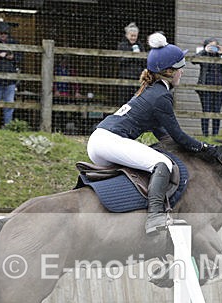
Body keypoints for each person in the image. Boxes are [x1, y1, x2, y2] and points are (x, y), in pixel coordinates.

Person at [87, 32, 211, 235]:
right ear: (169, 71)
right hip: (109, 141)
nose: (183, 72)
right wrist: (203, 147)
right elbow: (178, 135)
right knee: (163, 164)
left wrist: (189, 149)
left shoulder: (152, 90)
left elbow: (163, 135)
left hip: (101, 141)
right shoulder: (161, 95)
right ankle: (154, 217)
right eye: (180, 68)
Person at [192, 38, 222, 136]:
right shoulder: (203, 55)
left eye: (215, 46)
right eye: (211, 46)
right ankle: (205, 135)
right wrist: (205, 51)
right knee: (205, 111)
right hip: (205, 88)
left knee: (217, 112)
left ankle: (215, 135)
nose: (213, 49)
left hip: (220, 87)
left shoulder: (221, 55)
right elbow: (193, 60)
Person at [0, 22, 22, 129]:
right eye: (1, 33)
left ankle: (8, 126)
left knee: (9, 104)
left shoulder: (14, 43)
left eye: (6, 33)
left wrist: (12, 57)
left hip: (10, 79)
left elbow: (21, 58)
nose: (3, 35)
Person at [115, 22, 146, 105]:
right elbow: (119, 61)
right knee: (124, 101)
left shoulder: (140, 46)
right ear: (127, 35)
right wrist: (131, 55)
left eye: (135, 36)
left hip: (137, 77)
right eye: (131, 35)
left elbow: (144, 61)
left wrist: (140, 55)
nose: (133, 38)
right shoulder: (122, 45)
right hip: (125, 76)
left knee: (136, 99)